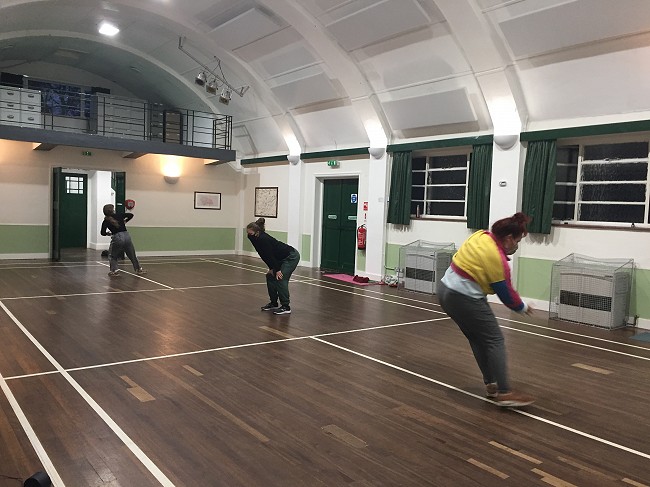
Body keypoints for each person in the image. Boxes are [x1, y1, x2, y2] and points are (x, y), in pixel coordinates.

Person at [437, 212, 535, 407]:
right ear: (508, 239)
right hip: (464, 298)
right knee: (494, 339)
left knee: (476, 338)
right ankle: (505, 392)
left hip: (444, 290)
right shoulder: (496, 260)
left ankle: (491, 384)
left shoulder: (480, 236)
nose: (517, 246)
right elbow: (507, 296)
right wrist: (523, 307)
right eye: (517, 241)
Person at [246, 218, 300, 315]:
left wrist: (277, 270)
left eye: (250, 234)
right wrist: (271, 269)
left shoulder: (263, 239)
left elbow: (270, 255)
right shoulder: (254, 238)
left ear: (257, 232)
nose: (249, 236)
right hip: (279, 258)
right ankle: (273, 303)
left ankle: (286, 306)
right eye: (248, 233)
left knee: (280, 278)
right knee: (270, 276)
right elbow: (263, 254)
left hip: (290, 256)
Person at [100, 204, 147, 277]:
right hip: (126, 235)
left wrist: (108, 234)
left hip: (117, 237)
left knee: (112, 255)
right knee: (132, 254)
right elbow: (130, 215)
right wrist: (125, 221)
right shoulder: (119, 215)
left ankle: (114, 271)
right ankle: (139, 269)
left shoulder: (106, 221)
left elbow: (102, 233)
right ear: (113, 210)